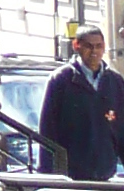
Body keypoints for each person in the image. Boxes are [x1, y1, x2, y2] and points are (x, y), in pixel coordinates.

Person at [38, 25, 124, 179]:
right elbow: (47, 130)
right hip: (71, 177)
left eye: (99, 46)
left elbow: (121, 129)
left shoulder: (115, 82)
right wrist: (47, 176)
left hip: (106, 174)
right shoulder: (61, 80)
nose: (94, 52)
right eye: (89, 46)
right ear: (76, 45)